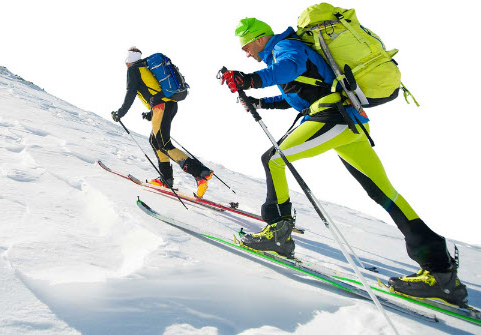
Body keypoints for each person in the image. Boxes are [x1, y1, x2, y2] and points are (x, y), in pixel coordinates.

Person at [220, 18, 468, 305]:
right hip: (348, 120)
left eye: (246, 46)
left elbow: (290, 69)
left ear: (260, 38)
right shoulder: (289, 51)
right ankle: (441, 273)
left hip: (333, 117)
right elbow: (300, 95)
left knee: (274, 158)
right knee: (383, 193)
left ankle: (278, 233)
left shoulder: (286, 47)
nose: (246, 53)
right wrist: (261, 101)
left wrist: (252, 79)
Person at [111, 47, 214, 197]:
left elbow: (131, 93)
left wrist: (120, 113)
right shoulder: (144, 67)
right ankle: (166, 179)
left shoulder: (133, 69)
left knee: (163, 143)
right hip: (169, 104)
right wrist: (151, 113)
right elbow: (154, 90)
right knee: (155, 140)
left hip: (161, 107)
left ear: (128, 60)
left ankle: (200, 173)